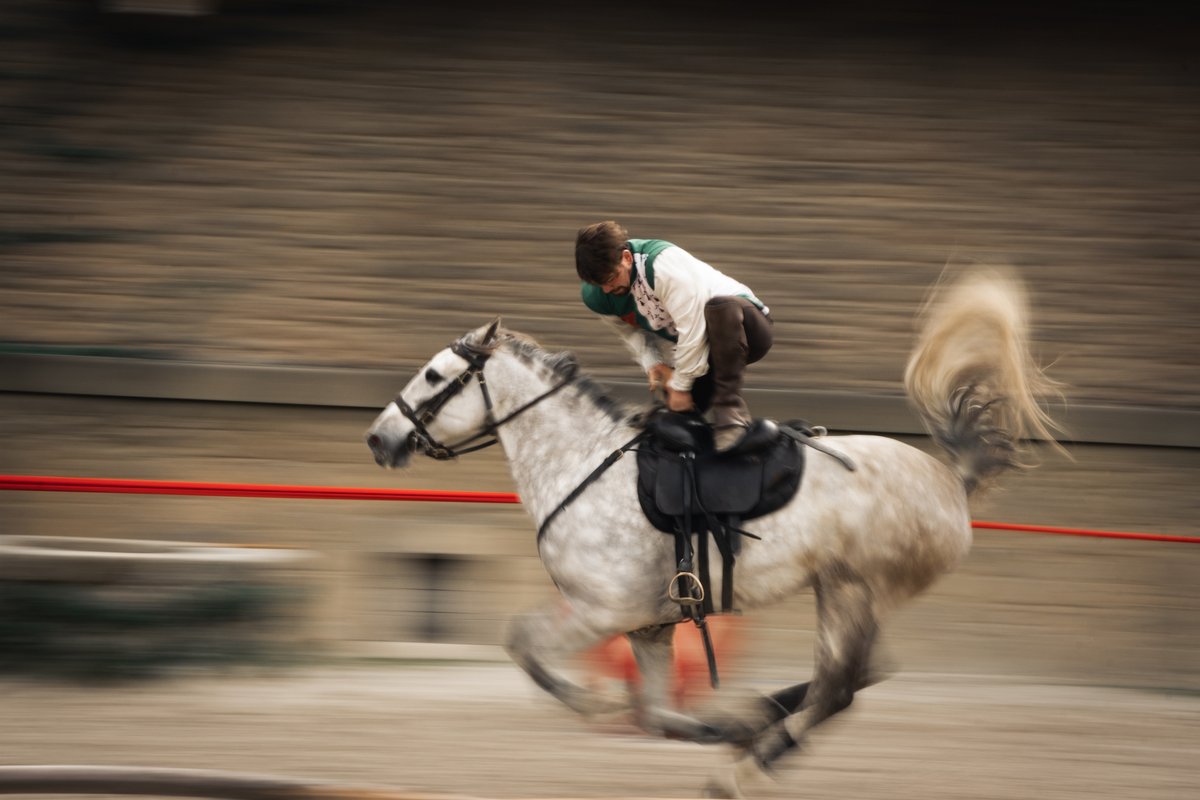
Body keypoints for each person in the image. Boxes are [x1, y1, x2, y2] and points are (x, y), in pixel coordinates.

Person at [575, 220, 773, 451]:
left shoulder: (664, 268)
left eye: (611, 279)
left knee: (720, 308)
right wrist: (653, 362)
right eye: (599, 285)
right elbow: (628, 332)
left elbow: (693, 331)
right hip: (704, 355)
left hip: (747, 330)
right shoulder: (598, 294)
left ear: (627, 258)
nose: (607, 290)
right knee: (672, 425)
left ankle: (731, 413)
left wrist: (680, 385)